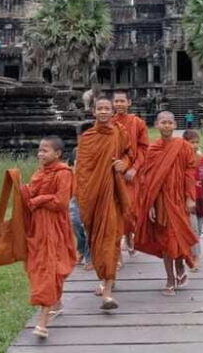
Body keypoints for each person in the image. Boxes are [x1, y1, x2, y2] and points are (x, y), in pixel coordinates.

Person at [75, 97, 132, 310]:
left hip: (112, 194)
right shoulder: (87, 138)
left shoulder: (120, 132)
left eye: (107, 108)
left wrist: (123, 164)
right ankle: (106, 278)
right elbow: (82, 170)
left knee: (111, 239)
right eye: (100, 108)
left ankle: (107, 292)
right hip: (92, 196)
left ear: (112, 111)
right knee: (97, 241)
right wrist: (84, 195)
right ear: (93, 112)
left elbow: (129, 154)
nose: (104, 112)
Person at [19, 136, 78, 340]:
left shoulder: (64, 173)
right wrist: (20, 188)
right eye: (39, 150)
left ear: (58, 153)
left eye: (45, 150)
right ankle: (56, 303)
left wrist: (39, 199)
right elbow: (29, 196)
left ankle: (43, 322)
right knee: (42, 266)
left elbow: (61, 202)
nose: (40, 154)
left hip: (55, 227)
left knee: (49, 268)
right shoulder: (39, 172)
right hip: (37, 227)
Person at [135, 111, 198, 296]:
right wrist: (150, 205)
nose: (167, 125)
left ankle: (180, 267)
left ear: (175, 125)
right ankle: (170, 279)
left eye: (170, 122)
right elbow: (147, 180)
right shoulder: (152, 150)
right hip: (161, 201)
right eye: (163, 122)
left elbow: (190, 173)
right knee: (165, 240)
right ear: (156, 125)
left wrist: (190, 197)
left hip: (179, 199)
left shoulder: (184, 147)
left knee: (178, 237)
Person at [111, 91, 149, 256]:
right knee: (115, 210)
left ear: (129, 103)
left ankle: (128, 235)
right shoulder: (109, 122)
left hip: (132, 174)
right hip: (113, 171)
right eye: (116, 101)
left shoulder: (137, 123)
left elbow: (143, 148)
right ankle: (117, 249)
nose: (119, 104)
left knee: (130, 208)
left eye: (122, 101)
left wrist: (134, 168)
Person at [183, 129, 203, 271]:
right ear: (184, 143)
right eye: (191, 142)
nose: (194, 145)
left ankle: (192, 250)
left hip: (201, 198)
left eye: (197, 142)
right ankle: (196, 257)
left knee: (199, 229)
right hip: (188, 199)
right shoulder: (181, 161)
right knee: (194, 228)